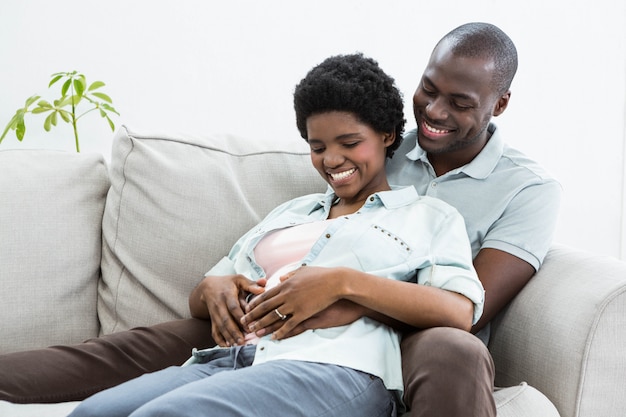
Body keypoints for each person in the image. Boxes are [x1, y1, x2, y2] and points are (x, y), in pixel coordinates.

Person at [0, 22, 561, 417]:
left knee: (451, 348)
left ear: (499, 104)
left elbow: (465, 307)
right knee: (134, 356)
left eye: (460, 102)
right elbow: (250, 259)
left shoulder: (502, 196)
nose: (435, 113)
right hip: (261, 333)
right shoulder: (350, 169)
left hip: (403, 338)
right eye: (428, 91)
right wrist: (218, 287)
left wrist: (339, 292)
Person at [66, 53, 484, 417]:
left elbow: (458, 310)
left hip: (337, 367)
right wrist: (214, 288)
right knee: (94, 412)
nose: (331, 159)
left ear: (387, 135)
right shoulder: (292, 212)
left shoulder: (428, 217)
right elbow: (204, 295)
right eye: (318, 147)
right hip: (231, 360)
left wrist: (342, 283)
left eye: (349, 142)